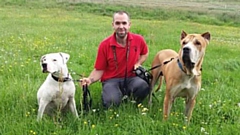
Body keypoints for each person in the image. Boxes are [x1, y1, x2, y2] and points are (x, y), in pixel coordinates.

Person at [80, 10, 150, 109]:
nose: (121, 27)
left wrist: (138, 63)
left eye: (124, 23)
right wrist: (89, 80)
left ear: (129, 25)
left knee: (143, 86)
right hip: (111, 80)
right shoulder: (105, 45)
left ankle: (132, 103)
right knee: (111, 103)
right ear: (113, 25)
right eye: (117, 23)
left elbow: (145, 53)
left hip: (132, 78)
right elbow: (99, 69)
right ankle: (115, 96)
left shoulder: (139, 40)